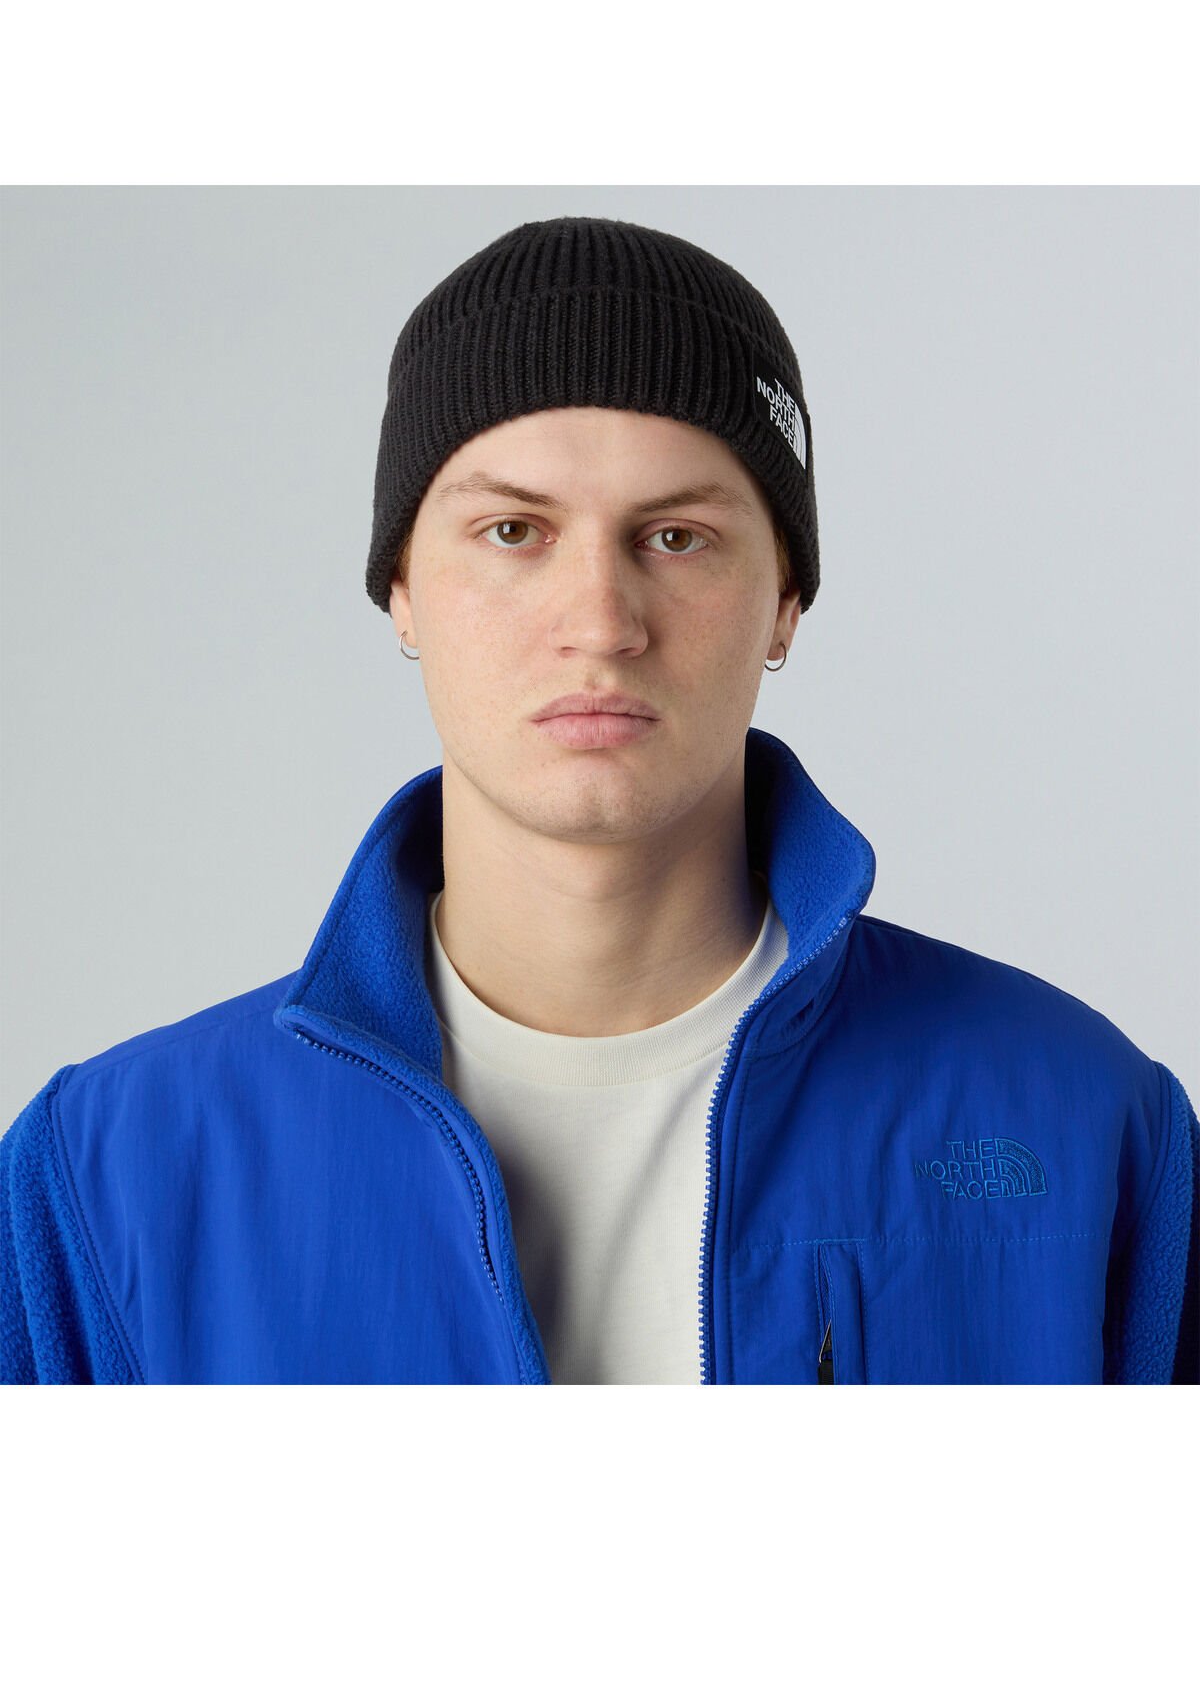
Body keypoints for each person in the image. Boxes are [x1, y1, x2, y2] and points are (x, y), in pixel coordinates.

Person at [1, 214, 1195, 1385]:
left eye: (676, 538)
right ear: (402, 588)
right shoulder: (105, 1178)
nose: (600, 623)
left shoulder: (1089, 1126)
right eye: (512, 530)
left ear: (785, 601)